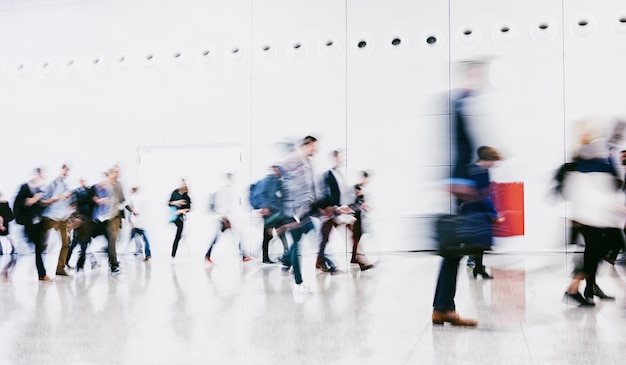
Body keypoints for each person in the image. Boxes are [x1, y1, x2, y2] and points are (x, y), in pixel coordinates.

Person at [432, 146, 504, 326]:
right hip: (469, 223)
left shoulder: (469, 170)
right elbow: (483, 198)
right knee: (452, 260)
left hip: (462, 221)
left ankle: (442, 308)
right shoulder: (478, 172)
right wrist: (494, 215)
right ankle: (443, 308)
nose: (493, 165)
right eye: (493, 161)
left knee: (451, 261)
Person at [561, 133, 624, 306]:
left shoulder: (595, 162)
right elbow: (595, 192)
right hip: (594, 219)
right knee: (595, 252)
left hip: (599, 218)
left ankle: (589, 287)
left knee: (596, 251)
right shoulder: (589, 164)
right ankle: (575, 288)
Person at [277, 136, 319, 293]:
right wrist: (290, 217)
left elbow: (309, 189)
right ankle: (298, 283)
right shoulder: (292, 161)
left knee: (303, 240)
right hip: (293, 213)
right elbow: (285, 186)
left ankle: (286, 262)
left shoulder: (308, 164)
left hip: (305, 212)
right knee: (298, 245)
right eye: (313, 147)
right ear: (306, 145)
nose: (315, 150)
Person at [205, 173, 252, 263]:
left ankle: (243, 255)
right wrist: (225, 219)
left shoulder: (228, 189)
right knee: (235, 235)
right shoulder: (225, 190)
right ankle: (243, 255)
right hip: (224, 219)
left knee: (230, 236)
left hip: (226, 218)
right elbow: (222, 205)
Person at [16, 168, 50, 281]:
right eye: (40, 175)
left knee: (38, 249)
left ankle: (42, 274)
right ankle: (8, 270)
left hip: (37, 225)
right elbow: (25, 203)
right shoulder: (25, 188)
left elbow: (39, 205)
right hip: (29, 226)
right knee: (33, 248)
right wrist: (35, 198)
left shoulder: (37, 189)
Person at [40, 164, 73, 277]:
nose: (66, 173)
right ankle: (41, 272)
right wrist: (55, 199)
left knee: (66, 243)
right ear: (60, 170)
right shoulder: (52, 184)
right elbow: (42, 201)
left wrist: (69, 208)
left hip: (62, 218)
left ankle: (60, 268)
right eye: (64, 170)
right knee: (43, 245)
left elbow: (68, 203)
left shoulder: (66, 186)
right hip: (50, 217)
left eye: (67, 171)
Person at [256, 165, 289, 264]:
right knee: (268, 237)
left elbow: (281, 196)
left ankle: (285, 255)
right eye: (278, 169)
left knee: (281, 234)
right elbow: (261, 194)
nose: (280, 171)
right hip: (270, 213)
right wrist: (265, 207)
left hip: (277, 213)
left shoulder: (279, 181)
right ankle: (265, 258)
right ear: (275, 169)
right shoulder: (268, 180)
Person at [169, 178, 191, 259]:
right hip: (173, 217)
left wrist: (182, 211)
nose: (182, 185)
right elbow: (169, 203)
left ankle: (173, 256)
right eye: (181, 183)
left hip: (180, 218)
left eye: (184, 183)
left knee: (177, 237)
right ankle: (182, 236)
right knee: (178, 235)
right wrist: (176, 202)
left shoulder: (186, 196)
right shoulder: (174, 193)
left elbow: (189, 208)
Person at [129, 186, 152, 261]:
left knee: (133, 237)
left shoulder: (133, 199)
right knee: (144, 238)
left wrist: (132, 222)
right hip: (142, 222)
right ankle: (146, 253)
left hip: (137, 222)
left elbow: (134, 211)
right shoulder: (143, 198)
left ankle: (140, 251)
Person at [0, 191, 17, 279]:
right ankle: (13, 249)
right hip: (5, 223)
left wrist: (1, 225)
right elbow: (9, 216)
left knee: (7, 237)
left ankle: (4, 250)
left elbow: (1, 217)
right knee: (8, 237)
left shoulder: (3, 204)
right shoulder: (5, 204)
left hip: (3, 223)